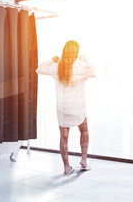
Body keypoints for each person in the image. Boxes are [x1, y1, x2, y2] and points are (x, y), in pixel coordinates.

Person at [36, 40, 96, 175]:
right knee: (84, 131)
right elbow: (94, 72)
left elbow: (39, 69)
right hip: (78, 108)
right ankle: (84, 161)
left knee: (64, 137)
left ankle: (66, 167)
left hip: (62, 109)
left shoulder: (57, 67)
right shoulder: (80, 67)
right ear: (76, 54)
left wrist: (52, 59)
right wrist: (85, 59)